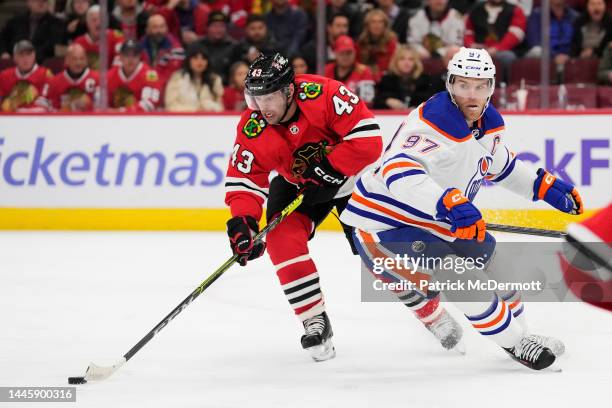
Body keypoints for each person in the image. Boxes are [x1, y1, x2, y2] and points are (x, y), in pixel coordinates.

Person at [340, 47, 584, 371]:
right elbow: (399, 171)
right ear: (450, 84)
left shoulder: (486, 123)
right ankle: (514, 341)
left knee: (493, 262)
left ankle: (522, 336)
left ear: (492, 88)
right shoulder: (434, 121)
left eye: (480, 86)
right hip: (385, 225)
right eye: (464, 85)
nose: (472, 94)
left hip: (435, 220)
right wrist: (447, 202)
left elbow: (500, 166)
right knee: (460, 275)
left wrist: (542, 186)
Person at [224, 53, 382, 361]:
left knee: (380, 255)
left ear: (288, 91)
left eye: (268, 98)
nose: (260, 109)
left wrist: (332, 166)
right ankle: (314, 321)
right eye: (254, 99)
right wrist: (243, 220)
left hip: (353, 180)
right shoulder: (252, 126)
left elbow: (369, 139)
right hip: (300, 185)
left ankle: (428, 310)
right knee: (281, 239)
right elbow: (244, 180)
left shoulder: (324, 95)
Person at [465, 0, 528, 82]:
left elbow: (516, 35)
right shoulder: (475, 9)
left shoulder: (515, 10)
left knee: (507, 57)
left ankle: (504, 87)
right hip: (479, 50)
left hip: (505, 50)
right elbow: (468, 32)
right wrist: (472, 45)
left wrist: (497, 48)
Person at [374, 45, 444, 109]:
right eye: (402, 59)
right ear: (396, 62)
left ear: (416, 62)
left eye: (411, 59)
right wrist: (387, 101)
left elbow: (435, 101)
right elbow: (376, 101)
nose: (406, 62)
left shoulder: (426, 80)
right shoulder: (386, 80)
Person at [0, 0, 66, 63]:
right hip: (13, 61)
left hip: (41, 64)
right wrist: (3, 53)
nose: (41, 2)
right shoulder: (15, 21)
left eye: (44, 0)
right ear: (28, 2)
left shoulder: (57, 24)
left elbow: (52, 47)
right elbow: (2, 39)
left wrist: (28, 57)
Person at [165, 44, 224, 111]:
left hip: (208, 119)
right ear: (189, 60)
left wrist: (209, 107)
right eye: (195, 58)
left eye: (203, 58)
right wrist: (195, 110)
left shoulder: (215, 79)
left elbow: (220, 107)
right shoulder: (177, 78)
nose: (200, 62)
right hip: (183, 119)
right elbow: (170, 106)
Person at [107, 40, 162, 112]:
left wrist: (121, 111)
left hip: (141, 120)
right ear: (120, 57)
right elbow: (101, 103)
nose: (131, 59)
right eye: (127, 55)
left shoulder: (150, 75)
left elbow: (149, 104)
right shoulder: (110, 75)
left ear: (139, 56)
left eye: (134, 55)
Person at [0, 40, 52, 112]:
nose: (26, 58)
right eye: (21, 55)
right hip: (10, 120)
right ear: (15, 58)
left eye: (29, 54)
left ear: (34, 56)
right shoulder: (4, 76)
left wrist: (19, 109)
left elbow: (45, 105)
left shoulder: (45, 74)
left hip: (37, 119)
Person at [324, 35, 376, 106]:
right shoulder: (326, 70)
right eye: (342, 53)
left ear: (355, 53)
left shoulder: (364, 71)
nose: (345, 57)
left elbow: (367, 101)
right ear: (335, 53)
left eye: (349, 53)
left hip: (356, 114)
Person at [46, 43, 99, 111]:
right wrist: (68, 107)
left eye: (82, 59)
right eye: (74, 59)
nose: (78, 63)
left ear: (86, 60)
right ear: (66, 60)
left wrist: (88, 105)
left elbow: (100, 108)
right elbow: (52, 109)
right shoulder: (55, 81)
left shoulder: (97, 78)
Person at [526, 0, 578, 67]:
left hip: (569, 58)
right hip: (545, 57)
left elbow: (577, 42)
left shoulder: (575, 17)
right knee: (536, 51)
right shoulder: (537, 15)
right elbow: (534, 41)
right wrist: (554, 56)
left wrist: (569, 56)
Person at [140, 14, 185, 88]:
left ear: (167, 28)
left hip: (167, 87)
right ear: (147, 30)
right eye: (155, 27)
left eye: (162, 27)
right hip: (144, 85)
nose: (159, 31)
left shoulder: (176, 48)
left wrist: (154, 84)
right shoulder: (140, 45)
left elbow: (172, 75)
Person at [74, 5, 125, 69]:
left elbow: (120, 65)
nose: (98, 23)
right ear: (87, 23)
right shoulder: (78, 43)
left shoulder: (117, 37)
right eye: (94, 20)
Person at [357, 8, 398, 81]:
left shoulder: (391, 43)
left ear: (385, 25)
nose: (377, 25)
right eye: (373, 22)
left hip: (385, 79)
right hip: (363, 79)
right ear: (367, 25)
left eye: (380, 22)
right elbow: (357, 66)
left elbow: (393, 67)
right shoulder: (360, 43)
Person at [199, 11, 237, 83]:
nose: (218, 29)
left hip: (226, 86)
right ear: (208, 27)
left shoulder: (234, 47)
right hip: (204, 85)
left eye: (221, 26)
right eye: (215, 26)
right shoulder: (199, 45)